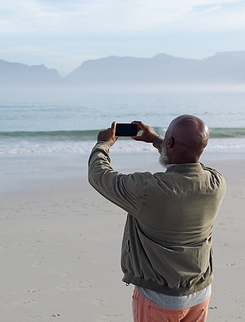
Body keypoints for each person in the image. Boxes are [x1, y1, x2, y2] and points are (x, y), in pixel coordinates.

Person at [88, 115, 226, 322]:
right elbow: (190, 157)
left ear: (170, 142)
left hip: (159, 298)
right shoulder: (216, 182)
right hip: (201, 292)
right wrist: (157, 140)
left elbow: (99, 175)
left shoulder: (149, 189)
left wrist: (103, 145)